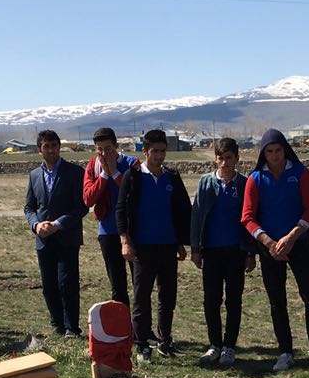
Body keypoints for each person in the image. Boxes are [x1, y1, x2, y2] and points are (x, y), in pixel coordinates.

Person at [244, 128, 309, 370]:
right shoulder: (255, 179)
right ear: (263, 154)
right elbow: (248, 217)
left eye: (278, 150)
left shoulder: (300, 173)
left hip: (299, 243)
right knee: (277, 301)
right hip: (270, 249)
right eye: (269, 151)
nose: (274, 155)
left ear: (285, 150)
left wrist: (292, 237)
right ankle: (285, 351)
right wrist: (269, 242)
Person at [116, 129, 191, 359]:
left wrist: (181, 242)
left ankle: (164, 341)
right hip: (142, 248)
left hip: (167, 246)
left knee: (167, 297)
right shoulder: (133, 176)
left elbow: (182, 211)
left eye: (162, 151)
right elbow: (121, 210)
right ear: (145, 151)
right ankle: (142, 344)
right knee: (142, 297)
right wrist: (125, 240)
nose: (159, 156)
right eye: (155, 151)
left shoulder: (172, 177)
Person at [189, 136, 253, 367]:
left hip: (236, 251)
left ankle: (229, 346)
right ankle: (214, 344)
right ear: (215, 159)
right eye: (220, 158)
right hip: (211, 251)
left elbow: (250, 219)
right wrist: (195, 248)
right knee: (211, 299)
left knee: (234, 300)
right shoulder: (206, 183)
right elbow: (197, 215)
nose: (225, 163)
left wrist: (250, 253)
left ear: (236, 158)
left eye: (229, 158)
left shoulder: (244, 184)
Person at [24, 129, 88, 337]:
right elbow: (29, 207)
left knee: (67, 283)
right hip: (43, 239)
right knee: (49, 285)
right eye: (46, 146)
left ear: (59, 147)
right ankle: (57, 324)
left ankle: (72, 327)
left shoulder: (75, 172)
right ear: (39, 149)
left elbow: (81, 207)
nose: (51, 150)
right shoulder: (34, 175)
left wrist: (58, 224)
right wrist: (36, 225)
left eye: (54, 145)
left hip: (67, 237)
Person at [82, 126, 136, 305]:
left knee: (140, 282)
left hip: (133, 230)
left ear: (116, 145)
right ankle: (121, 321)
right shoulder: (93, 166)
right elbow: (88, 199)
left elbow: (135, 195)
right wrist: (105, 175)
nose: (104, 154)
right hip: (107, 231)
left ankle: (141, 322)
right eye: (100, 149)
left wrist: (115, 173)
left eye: (108, 149)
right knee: (117, 286)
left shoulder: (131, 164)